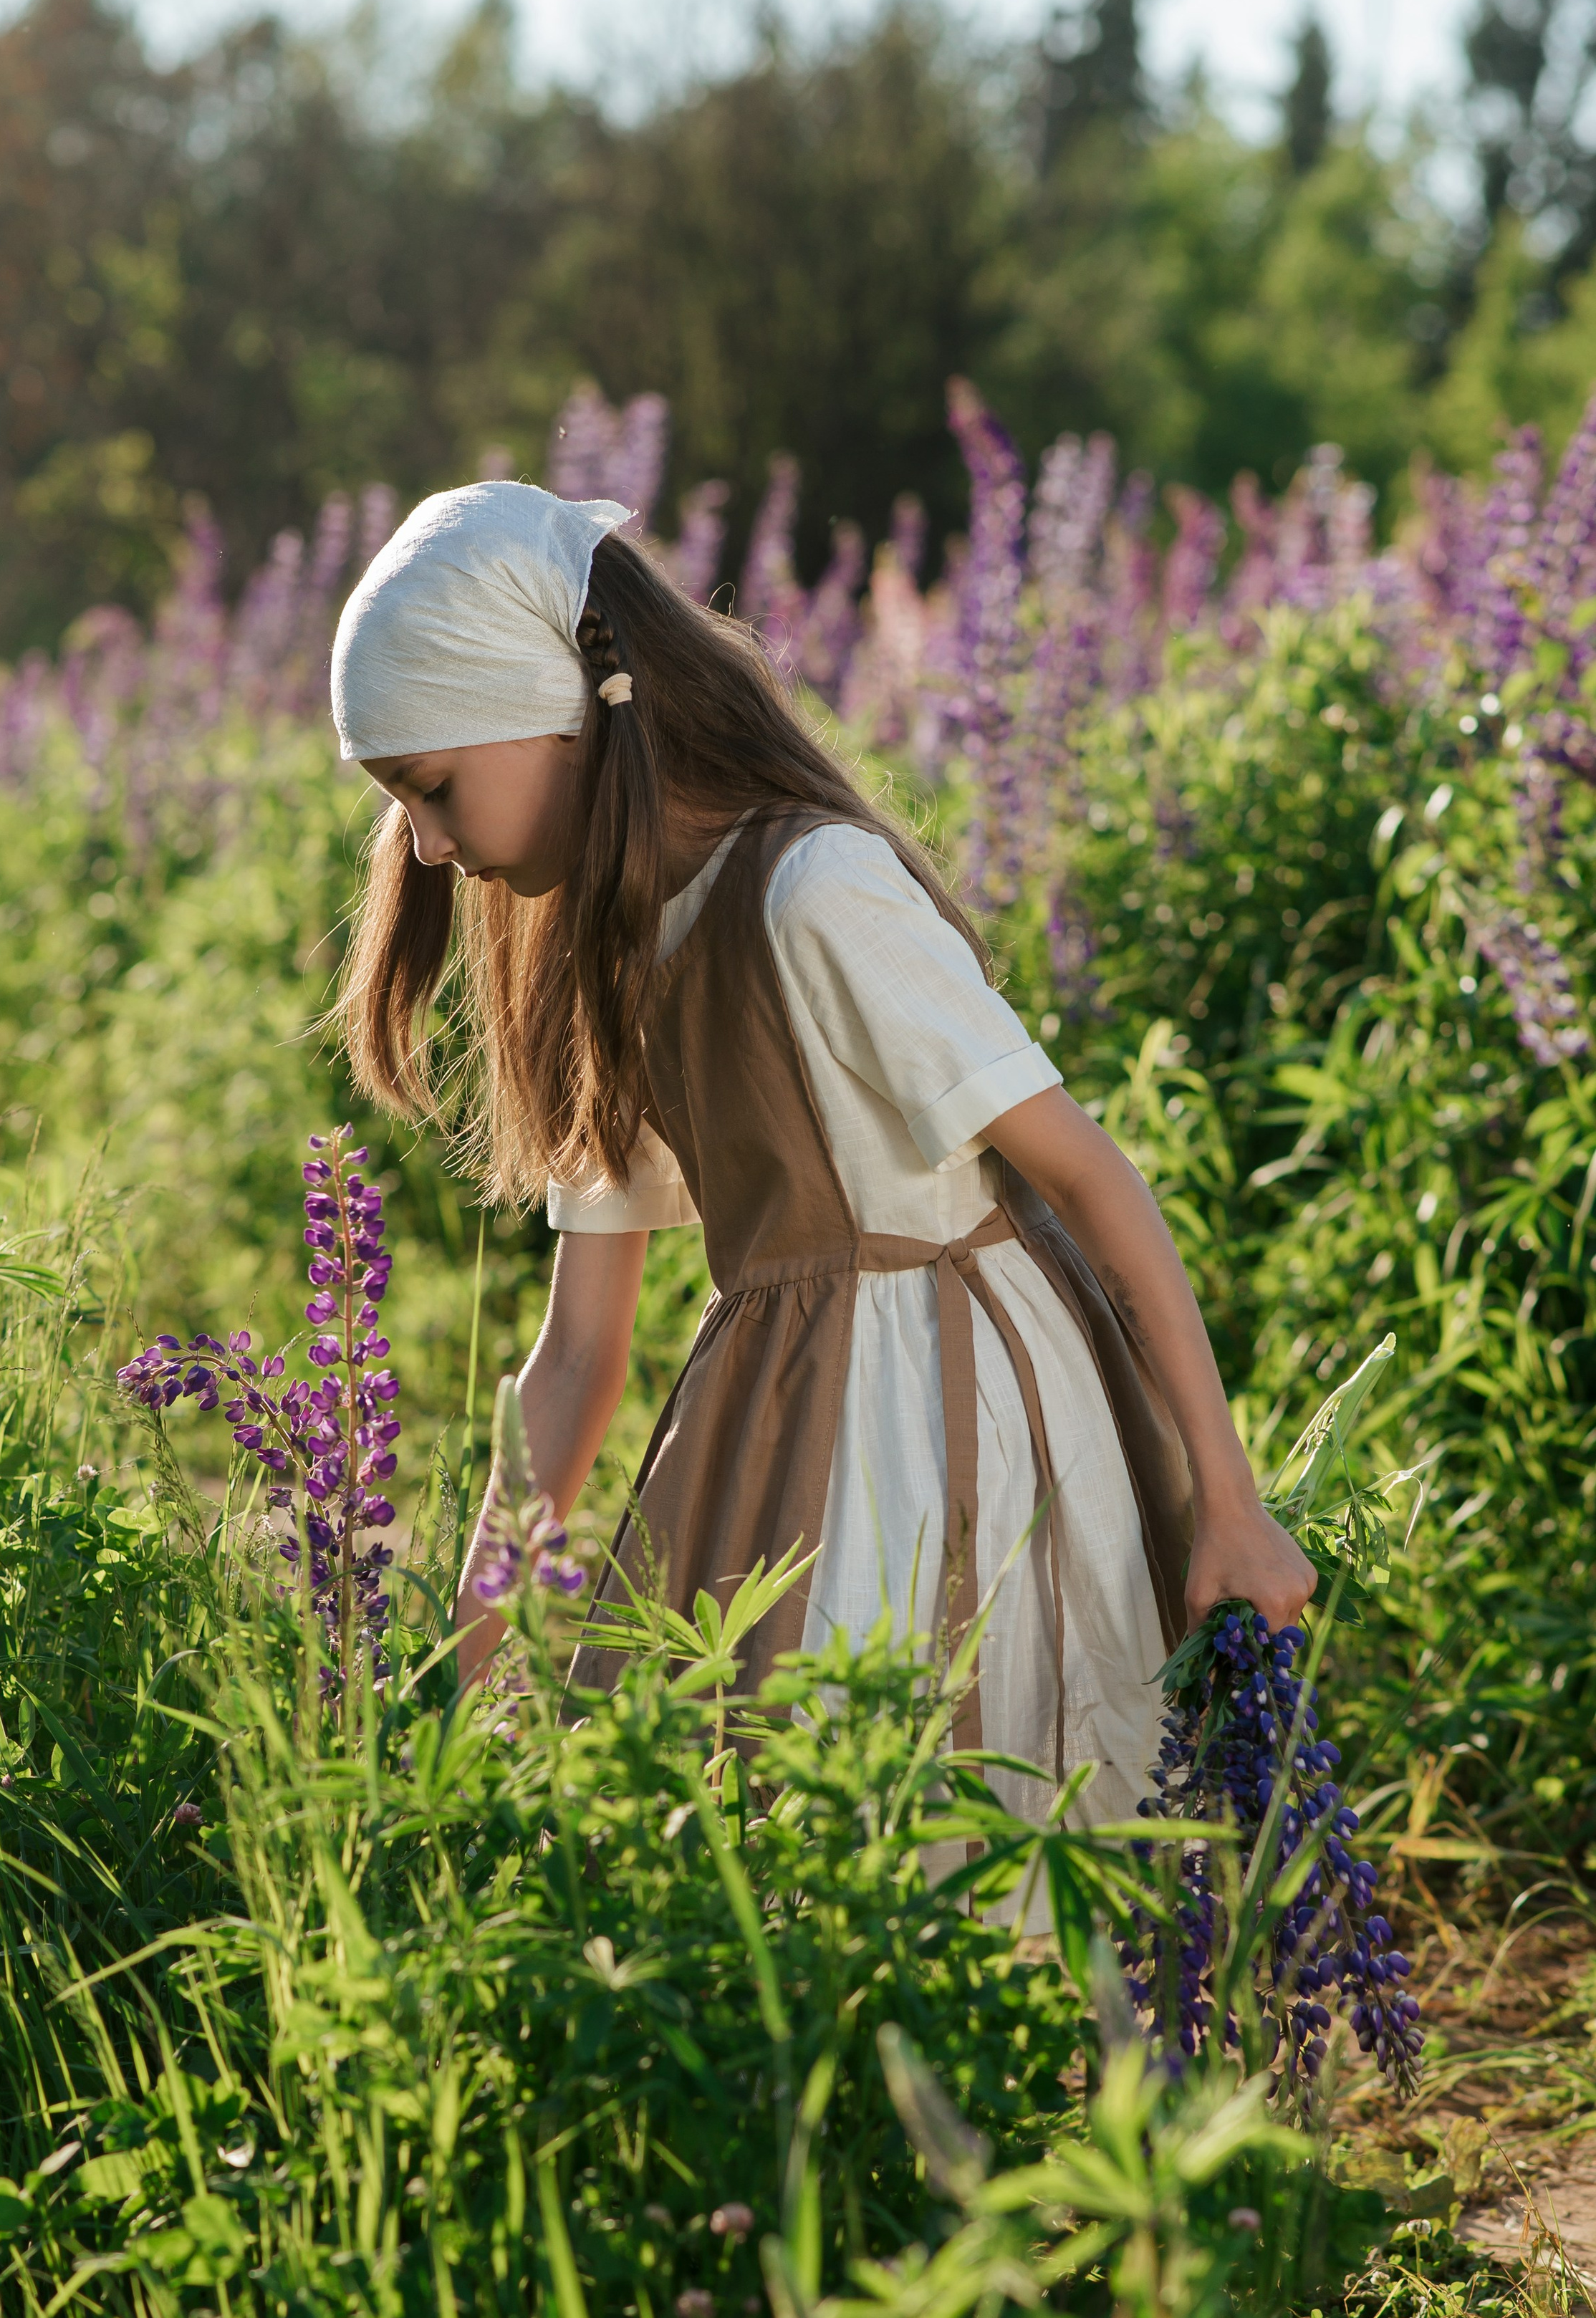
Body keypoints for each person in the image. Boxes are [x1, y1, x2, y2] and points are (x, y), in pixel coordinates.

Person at [328, 478, 1313, 1860]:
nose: (430, 846)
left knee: (980, 1797)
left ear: (558, 710)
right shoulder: (624, 957)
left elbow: (1091, 1177)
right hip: (774, 1420)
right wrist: (470, 1656)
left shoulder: (814, 895)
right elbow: (576, 1355)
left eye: (433, 789)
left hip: (964, 1410)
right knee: (767, 1839)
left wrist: (1231, 1501)